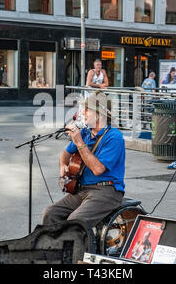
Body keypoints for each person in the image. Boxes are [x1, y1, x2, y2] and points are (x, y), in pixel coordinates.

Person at [42, 91, 125, 228]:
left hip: (107, 191)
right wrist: (63, 165)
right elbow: (65, 154)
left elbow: (98, 169)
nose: (83, 113)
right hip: (82, 189)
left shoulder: (114, 137)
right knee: (50, 213)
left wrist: (80, 143)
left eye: (88, 109)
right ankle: (54, 248)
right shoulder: (85, 133)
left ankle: (76, 248)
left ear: (100, 114)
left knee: (75, 222)